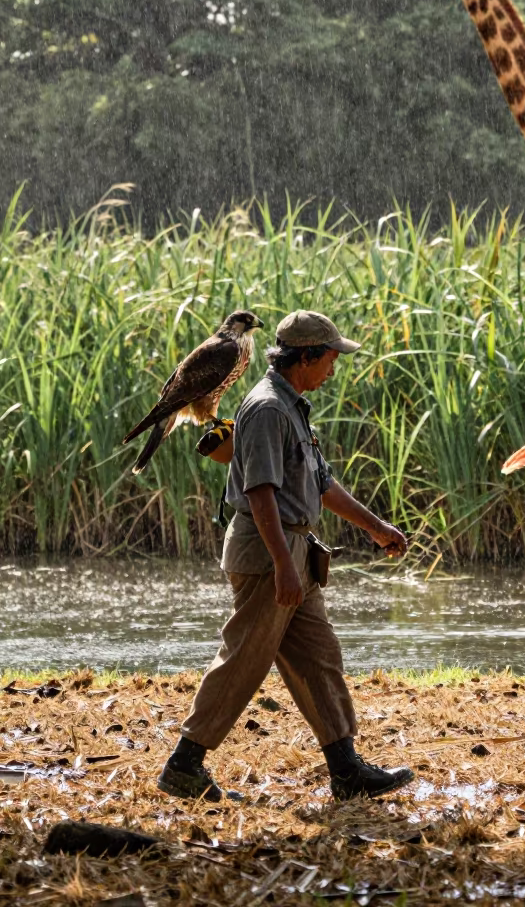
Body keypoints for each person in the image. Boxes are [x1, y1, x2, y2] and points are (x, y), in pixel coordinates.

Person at [157, 310, 414, 803]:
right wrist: (282, 564)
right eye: (331, 358)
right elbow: (260, 493)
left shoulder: (293, 406)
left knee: (319, 657)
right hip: (267, 552)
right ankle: (183, 765)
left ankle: (346, 769)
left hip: (293, 547)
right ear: (307, 357)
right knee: (243, 662)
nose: (334, 369)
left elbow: (321, 483)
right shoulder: (269, 409)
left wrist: (376, 527)